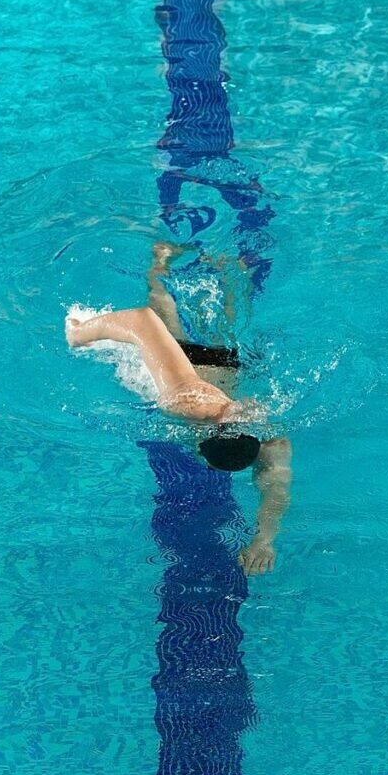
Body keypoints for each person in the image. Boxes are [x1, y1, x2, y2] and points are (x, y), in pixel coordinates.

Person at [67, 242, 292, 573]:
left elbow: (276, 481)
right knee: (161, 314)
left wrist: (264, 540)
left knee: (228, 325)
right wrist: (79, 333)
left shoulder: (268, 432)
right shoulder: (186, 402)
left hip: (229, 367)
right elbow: (141, 321)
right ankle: (160, 262)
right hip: (187, 365)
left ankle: (232, 271)